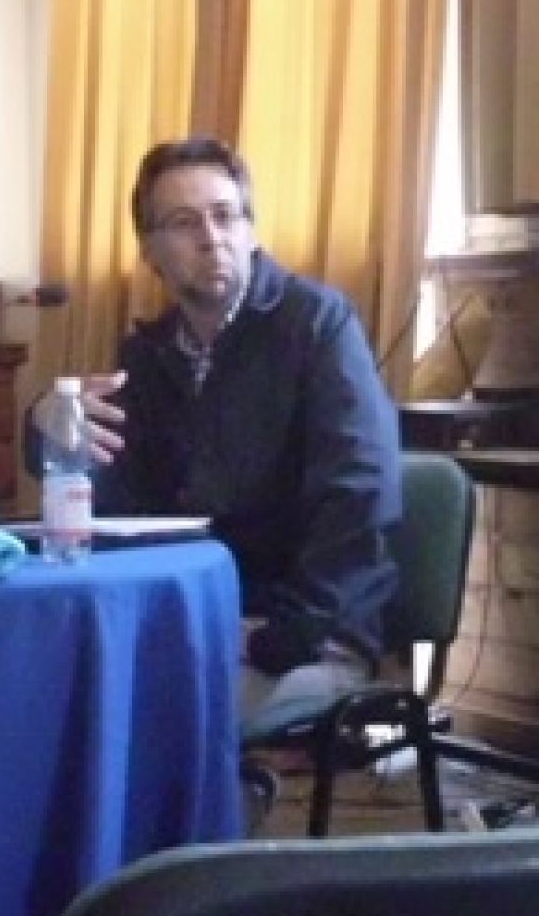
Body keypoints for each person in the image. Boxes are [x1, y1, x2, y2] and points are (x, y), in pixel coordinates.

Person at [25, 137, 401, 733]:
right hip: (189, 620)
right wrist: (48, 425)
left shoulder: (316, 324)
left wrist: (291, 631)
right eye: (184, 223)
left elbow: (361, 490)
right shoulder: (147, 356)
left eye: (225, 215)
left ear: (250, 230)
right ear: (150, 250)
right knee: (45, 694)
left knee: (147, 719)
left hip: (305, 634)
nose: (211, 237)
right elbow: (112, 500)